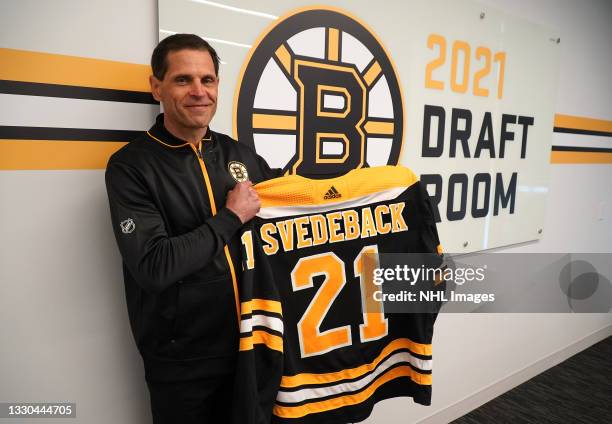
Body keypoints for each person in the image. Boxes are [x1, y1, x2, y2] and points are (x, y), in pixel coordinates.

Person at [105, 34, 281, 423]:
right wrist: (230, 217)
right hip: (184, 366)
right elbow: (154, 266)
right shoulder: (131, 166)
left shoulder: (241, 155)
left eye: (208, 80)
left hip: (254, 347)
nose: (199, 92)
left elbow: (295, 216)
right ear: (157, 87)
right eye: (183, 80)